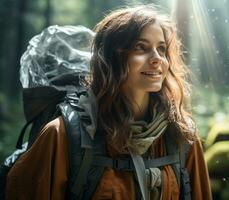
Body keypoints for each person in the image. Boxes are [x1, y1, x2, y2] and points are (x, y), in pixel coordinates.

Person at [5, 5, 212, 200]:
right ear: (111, 58)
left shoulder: (182, 136)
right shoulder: (63, 135)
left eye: (162, 49)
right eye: (141, 47)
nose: (157, 58)